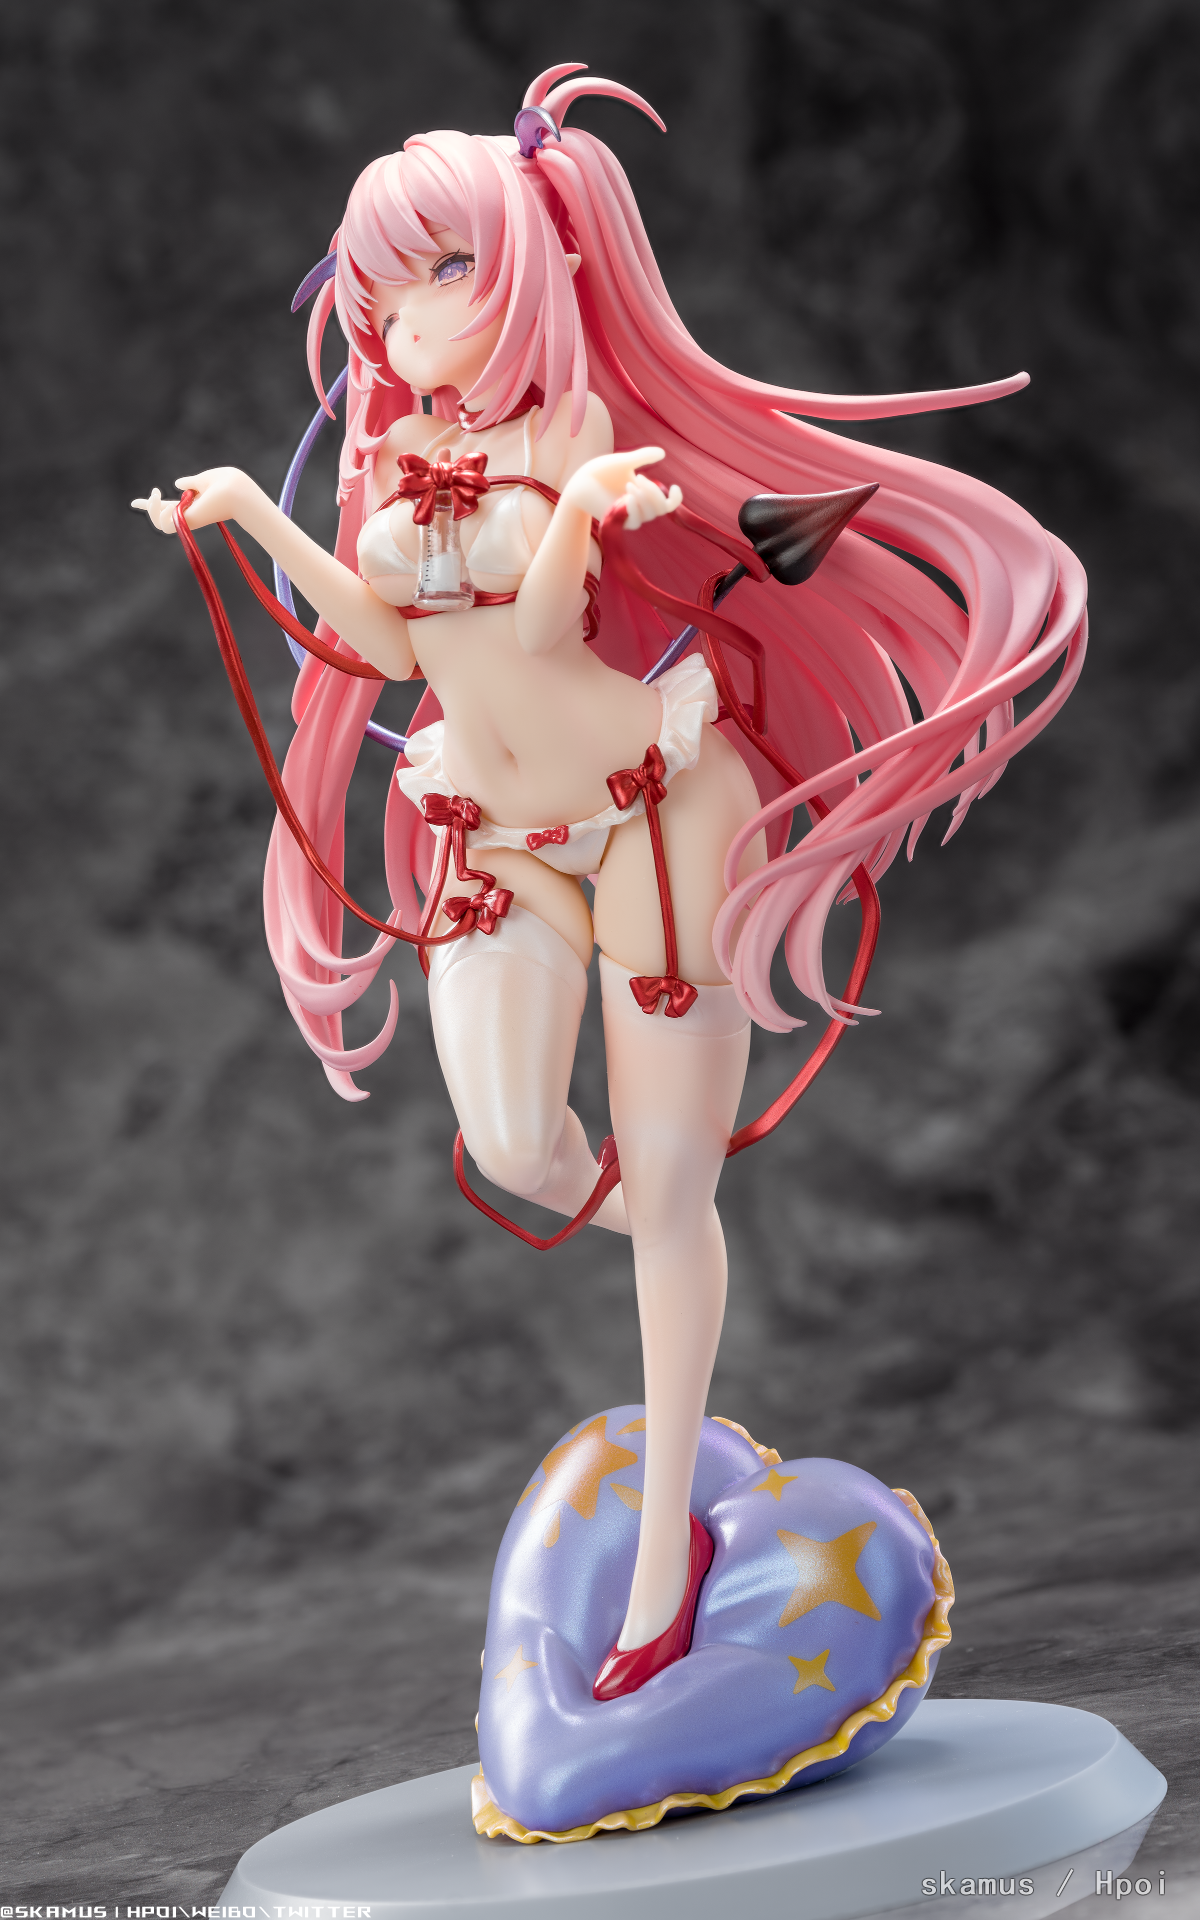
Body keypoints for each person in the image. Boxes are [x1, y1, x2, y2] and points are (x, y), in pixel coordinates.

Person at [133, 64, 1086, 1702]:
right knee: (516, 1146)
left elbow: (548, 622)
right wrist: (248, 523)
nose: (403, 318)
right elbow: (381, 645)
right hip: (495, 831)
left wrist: (577, 513)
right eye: (381, 289)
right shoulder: (390, 449)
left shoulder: (571, 430)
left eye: (438, 272)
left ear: (528, 265)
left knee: (669, 1187)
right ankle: (675, 1229)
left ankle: (662, 1567)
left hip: (653, 809)